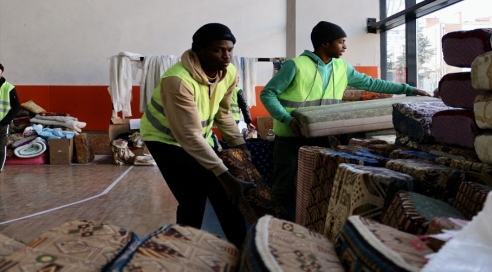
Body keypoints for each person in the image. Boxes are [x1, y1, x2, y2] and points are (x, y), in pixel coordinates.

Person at [261, 21, 431, 220]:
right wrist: (287, 119)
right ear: (325, 43)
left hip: (321, 135)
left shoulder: (341, 67)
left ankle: (310, 224)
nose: (345, 46)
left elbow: (372, 83)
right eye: (341, 42)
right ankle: (273, 227)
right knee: (284, 186)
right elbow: (268, 94)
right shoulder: (296, 65)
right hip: (290, 137)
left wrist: (408, 89)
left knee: (320, 182)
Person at [140, 23, 255, 247]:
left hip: (198, 137)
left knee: (226, 196)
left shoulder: (229, 72)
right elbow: (188, 135)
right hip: (165, 140)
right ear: (199, 51)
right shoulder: (178, 80)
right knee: (192, 198)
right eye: (218, 50)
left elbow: (223, 113)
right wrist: (224, 173)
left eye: (230, 49)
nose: (226, 55)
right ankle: (184, 251)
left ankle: (244, 252)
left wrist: (241, 146)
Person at [0, 63, 20, 173]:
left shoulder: (9, 87)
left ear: (2, 72)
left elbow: (16, 106)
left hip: (3, 123)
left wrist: (6, 121)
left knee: (1, 147)